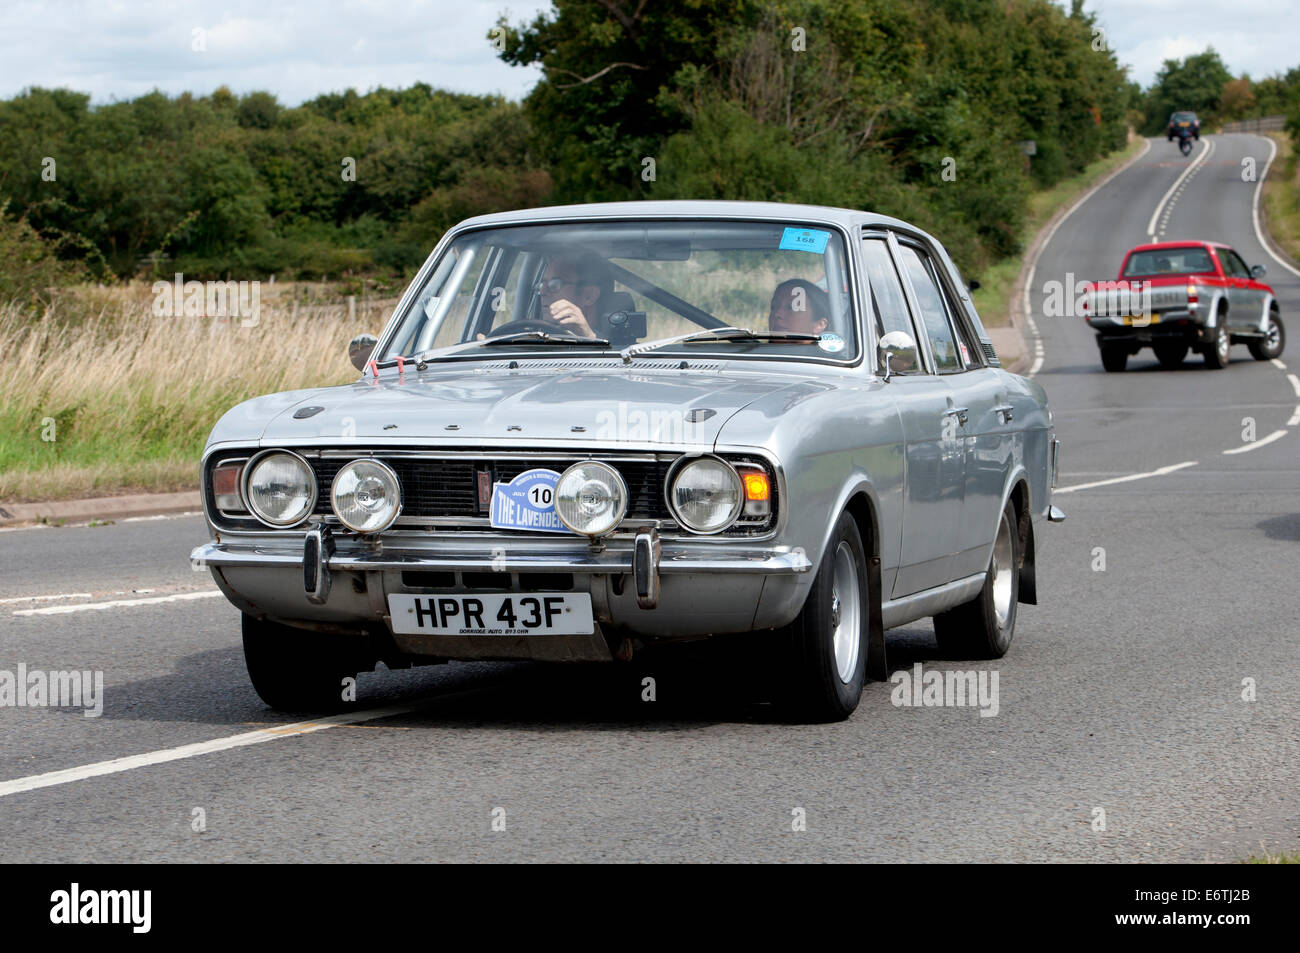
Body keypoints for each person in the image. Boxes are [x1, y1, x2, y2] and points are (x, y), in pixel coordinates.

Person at [533, 255, 610, 338]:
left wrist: (589, 337)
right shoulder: (530, 338)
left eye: (555, 284)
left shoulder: (619, 347)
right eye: (541, 285)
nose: (542, 292)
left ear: (589, 295)